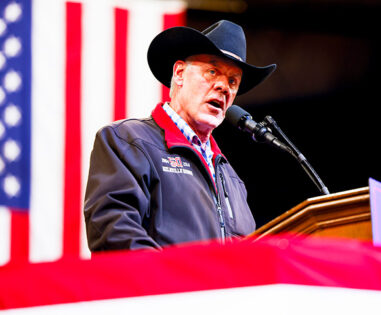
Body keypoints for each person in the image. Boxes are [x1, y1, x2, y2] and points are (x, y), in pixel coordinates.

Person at [84, 20, 276, 251]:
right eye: (212, 71)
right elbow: (115, 236)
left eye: (233, 81)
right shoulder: (128, 141)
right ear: (180, 73)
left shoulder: (233, 180)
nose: (224, 87)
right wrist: (183, 284)